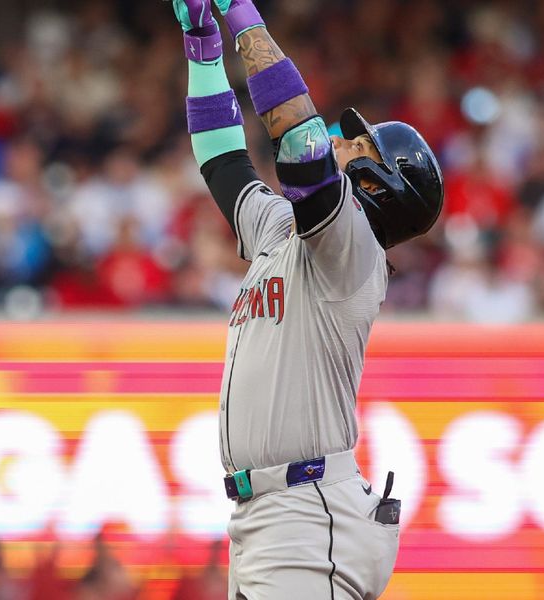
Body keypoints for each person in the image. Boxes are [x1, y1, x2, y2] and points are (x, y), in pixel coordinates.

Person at [167, 0, 444, 597]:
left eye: (360, 144)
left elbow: (300, 141)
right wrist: (203, 48)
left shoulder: (354, 245)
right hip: (276, 515)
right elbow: (222, 161)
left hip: (306, 511)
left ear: (381, 184)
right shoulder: (286, 230)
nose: (344, 139)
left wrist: (242, 17)